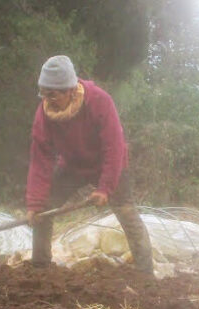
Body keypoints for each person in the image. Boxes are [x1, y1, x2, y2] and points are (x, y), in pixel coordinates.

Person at [25, 55, 153, 274]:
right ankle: (40, 266)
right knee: (44, 208)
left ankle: (146, 273)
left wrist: (105, 188)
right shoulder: (44, 113)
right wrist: (34, 204)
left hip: (107, 164)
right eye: (43, 93)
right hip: (72, 165)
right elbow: (41, 160)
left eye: (52, 94)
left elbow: (114, 147)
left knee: (126, 211)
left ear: (71, 90)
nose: (47, 99)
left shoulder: (99, 101)